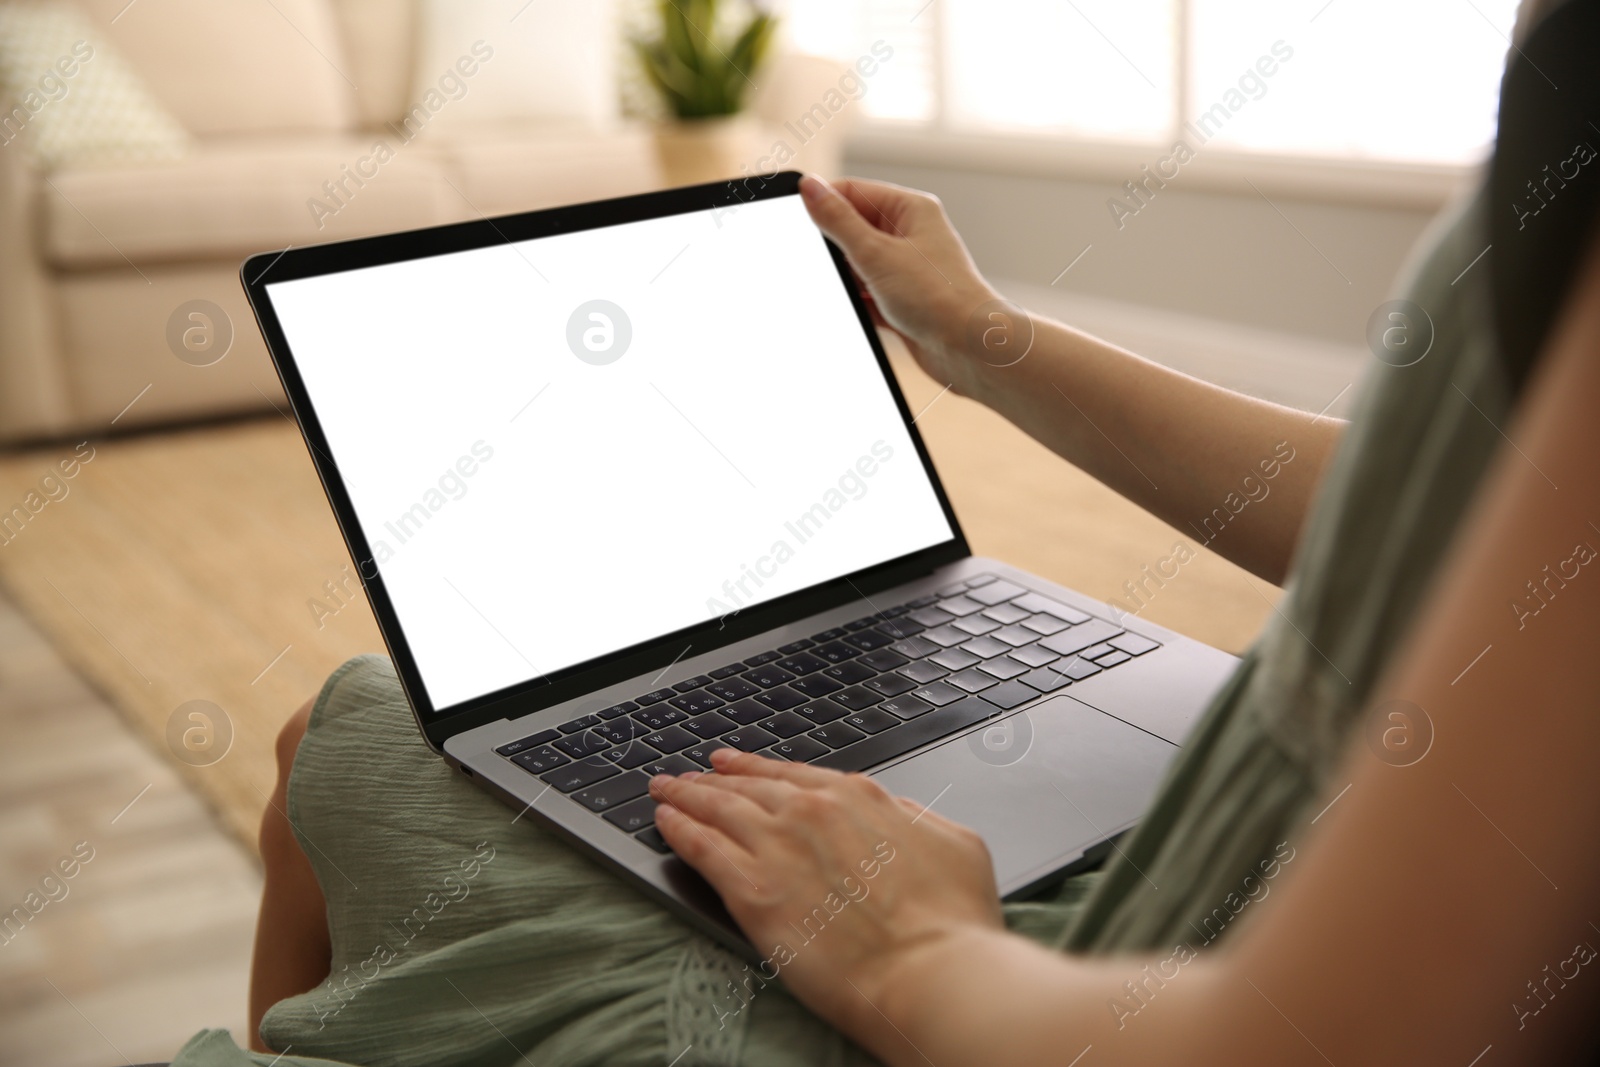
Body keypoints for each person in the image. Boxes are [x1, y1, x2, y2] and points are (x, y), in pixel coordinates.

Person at [176, 1, 1600, 1063]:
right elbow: (1454, 520)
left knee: (348, 731)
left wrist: (915, 950)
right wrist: (980, 341)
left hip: (1115, 983)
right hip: (1290, 826)